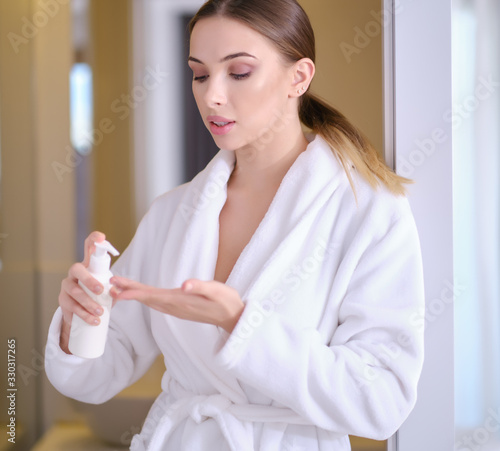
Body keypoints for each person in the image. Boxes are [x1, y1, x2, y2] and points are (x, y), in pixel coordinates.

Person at [45, 0, 425, 450]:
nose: (212, 96)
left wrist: (241, 324)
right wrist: (79, 321)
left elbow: (381, 402)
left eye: (239, 72)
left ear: (299, 77)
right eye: (200, 74)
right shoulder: (173, 213)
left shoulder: (368, 211)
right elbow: (96, 376)